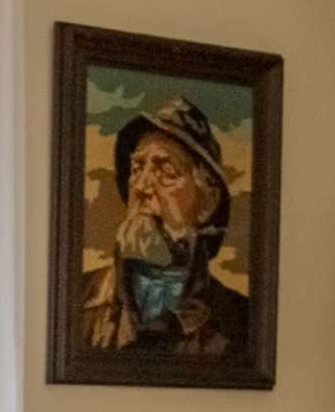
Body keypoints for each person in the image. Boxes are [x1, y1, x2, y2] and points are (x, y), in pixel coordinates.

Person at [85, 96, 248, 353]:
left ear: (208, 202)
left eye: (166, 172)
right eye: (137, 168)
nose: (141, 187)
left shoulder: (238, 321)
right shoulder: (79, 300)